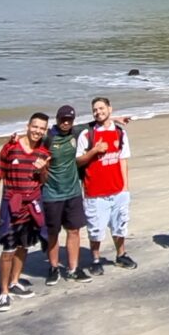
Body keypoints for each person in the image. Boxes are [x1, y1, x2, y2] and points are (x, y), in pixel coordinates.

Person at [0, 116, 49, 310]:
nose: (37, 131)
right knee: (8, 249)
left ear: (45, 131)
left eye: (41, 128)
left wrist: (43, 169)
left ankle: (14, 282)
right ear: (28, 126)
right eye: (35, 126)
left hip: (32, 205)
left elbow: (44, 181)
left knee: (24, 246)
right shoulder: (10, 147)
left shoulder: (43, 152)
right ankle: (3, 292)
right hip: (11, 205)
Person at [77, 96, 138, 273]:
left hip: (118, 190)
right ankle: (95, 259)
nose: (98, 112)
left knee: (120, 225)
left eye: (101, 108)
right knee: (95, 229)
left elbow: (123, 160)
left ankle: (121, 255)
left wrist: (125, 187)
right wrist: (94, 150)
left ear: (110, 109)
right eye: (95, 110)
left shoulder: (120, 133)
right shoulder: (87, 134)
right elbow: (78, 161)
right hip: (94, 192)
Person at [39, 104, 93, 281]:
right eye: (63, 119)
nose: (66, 122)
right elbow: (30, 141)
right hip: (51, 194)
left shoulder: (75, 133)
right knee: (53, 233)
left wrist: (116, 120)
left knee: (74, 231)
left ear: (73, 121)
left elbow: (95, 123)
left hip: (73, 193)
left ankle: (73, 268)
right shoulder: (48, 137)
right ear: (57, 119)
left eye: (69, 119)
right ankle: (53, 268)